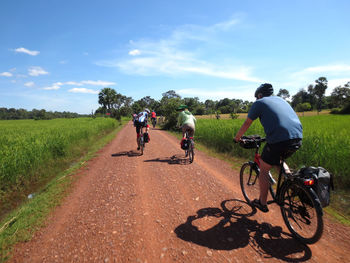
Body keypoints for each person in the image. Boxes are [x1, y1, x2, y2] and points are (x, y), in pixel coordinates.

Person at [234, 83, 303, 213]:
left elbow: (247, 122)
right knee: (278, 160)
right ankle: (292, 182)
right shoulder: (281, 100)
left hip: (279, 140)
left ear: (259, 95)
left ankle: (262, 203)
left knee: (264, 169)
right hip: (297, 138)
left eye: (256, 97)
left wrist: (237, 138)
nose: (256, 99)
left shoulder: (259, 103)